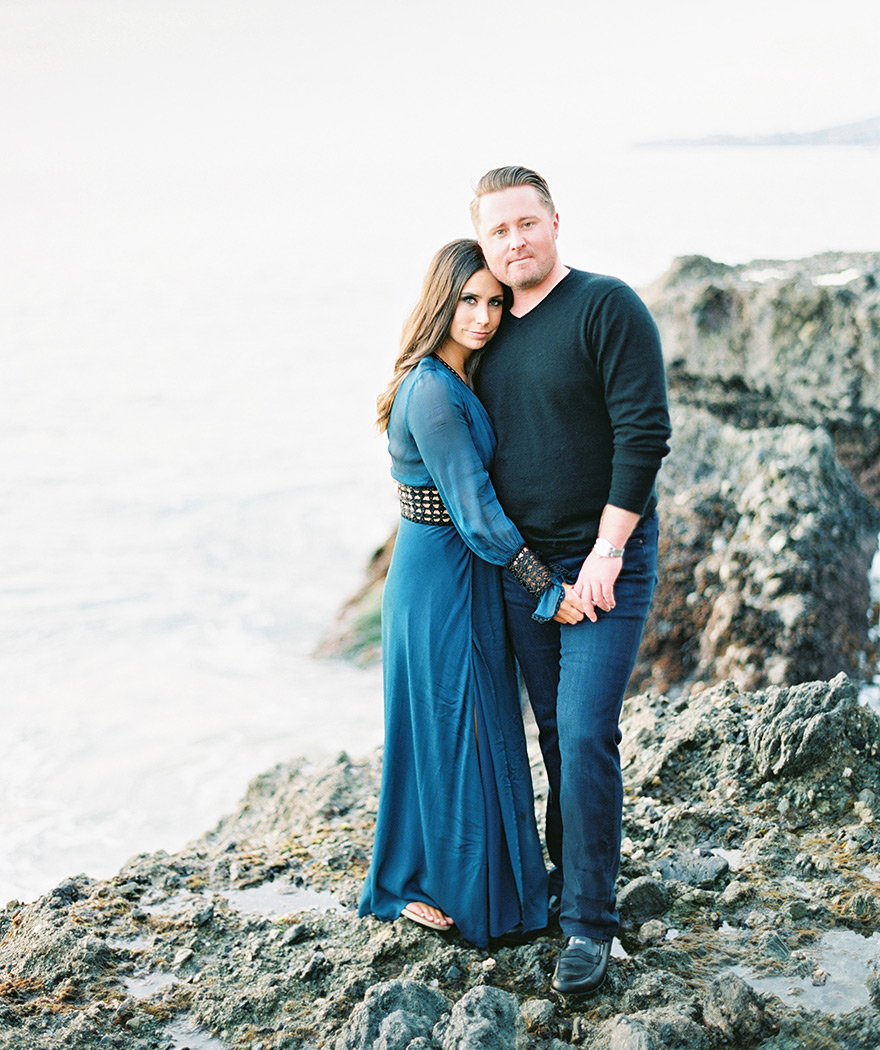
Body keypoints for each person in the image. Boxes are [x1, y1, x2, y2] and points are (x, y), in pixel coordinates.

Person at [471, 167, 672, 993]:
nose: (516, 241)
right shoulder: (481, 333)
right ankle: (563, 887)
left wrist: (608, 551)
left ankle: (590, 924)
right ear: (482, 243)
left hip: (604, 566)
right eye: (498, 232)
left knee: (587, 732)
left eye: (527, 223)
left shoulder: (605, 305)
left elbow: (645, 429)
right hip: (523, 576)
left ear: (555, 221)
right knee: (553, 737)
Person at [358, 239, 584, 949]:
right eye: (469, 301)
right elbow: (477, 510)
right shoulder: (430, 391)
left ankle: (492, 880)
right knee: (457, 731)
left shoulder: (462, 377)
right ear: (441, 301)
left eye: (495, 302)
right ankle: (413, 886)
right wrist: (547, 589)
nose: (484, 316)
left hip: (463, 576)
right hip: (439, 585)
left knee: (478, 724)